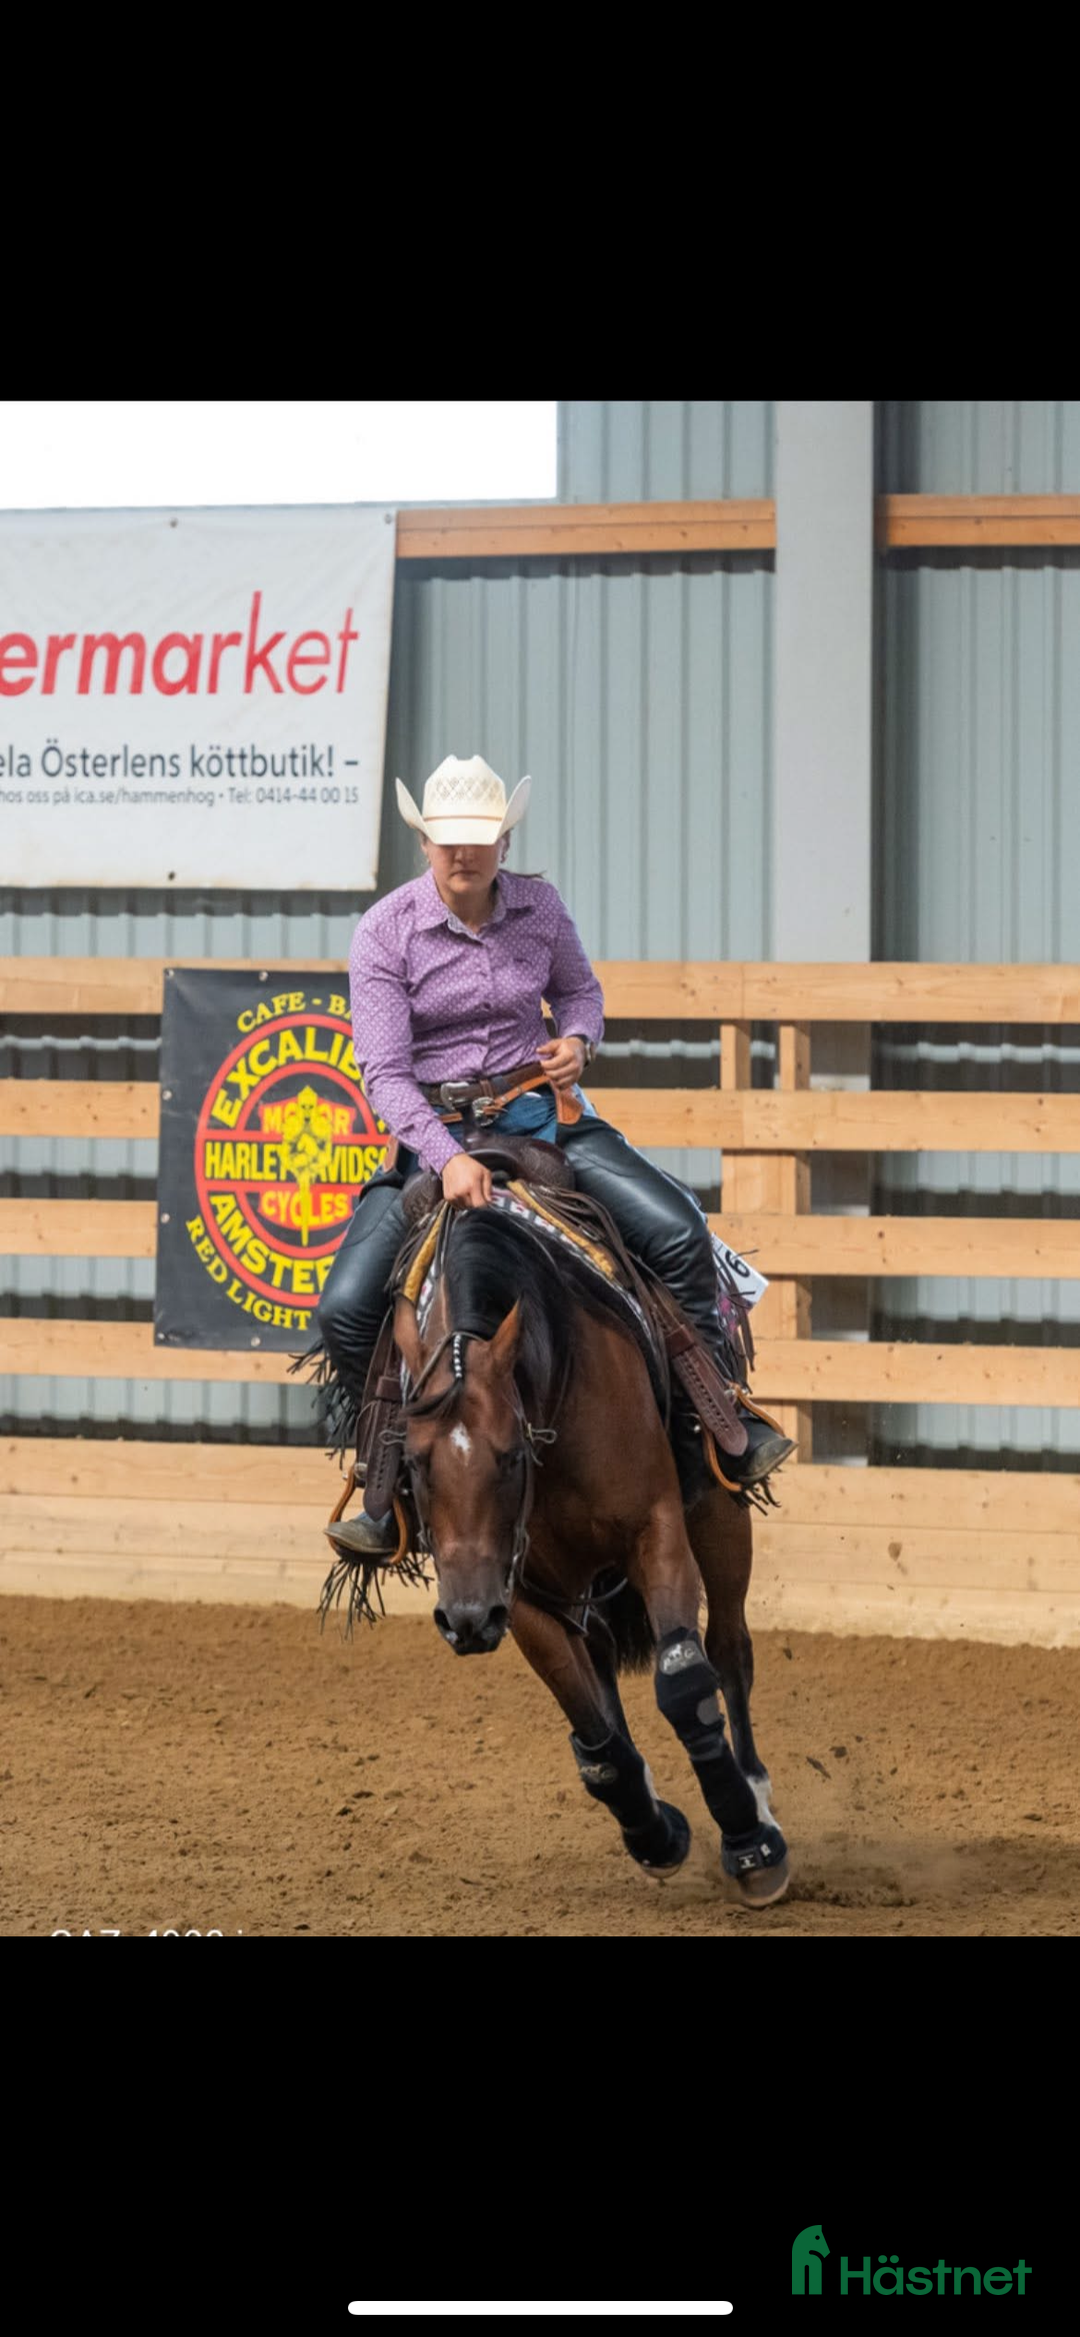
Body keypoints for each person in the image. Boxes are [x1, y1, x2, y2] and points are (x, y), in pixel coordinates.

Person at [317, 754, 793, 1555]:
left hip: (541, 1113)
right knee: (344, 1307)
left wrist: (577, 1039)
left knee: (676, 1227)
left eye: (478, 839)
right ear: (425, 843)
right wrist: (444, 1157)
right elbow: (387, 1076)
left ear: (504, 839)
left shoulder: (540, 907)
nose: (463, 854)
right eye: (447, 841)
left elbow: (581, 993)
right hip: (435, 1135)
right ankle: (391, 1478)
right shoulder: (385, 931)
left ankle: (710, 1428)